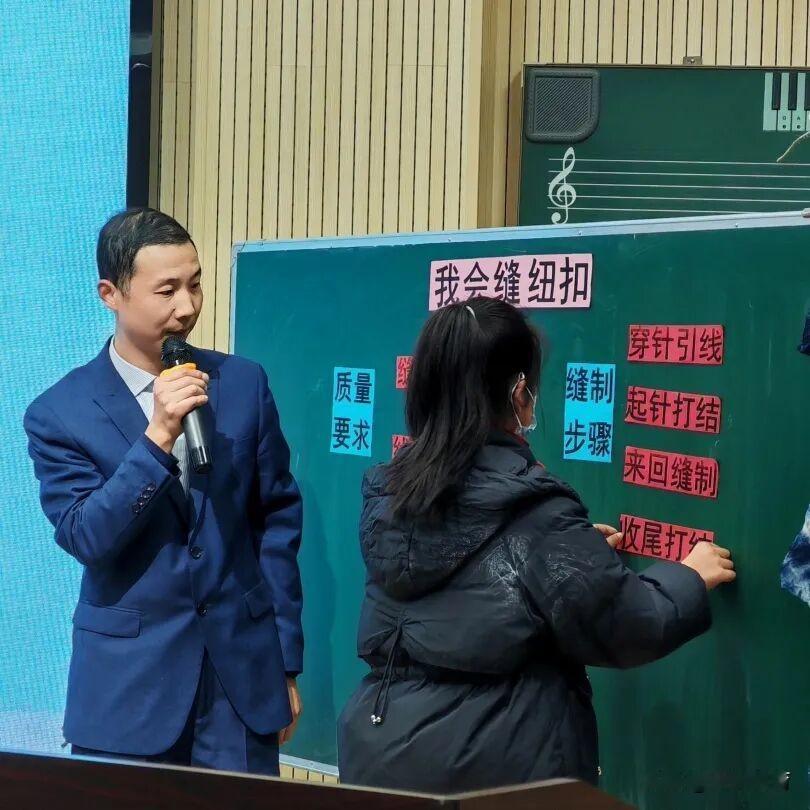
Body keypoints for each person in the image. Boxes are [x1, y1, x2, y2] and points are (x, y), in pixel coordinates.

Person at [338, 297, 734, 792]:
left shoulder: (394, 493)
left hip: (382, 759)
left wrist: (572, 552)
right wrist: (688, 576)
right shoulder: (534, 513)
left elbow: (467, 577)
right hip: (496, 771)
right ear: (519, 393)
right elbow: (626, 622)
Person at [24, 208, 303, 775]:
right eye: (167, 290)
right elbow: (86, 536)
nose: (187, 307)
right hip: (129, 690)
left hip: (240, 685)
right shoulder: (59, 412)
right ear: (111, 294)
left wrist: (285, 662)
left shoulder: (242, 383)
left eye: (195, 284)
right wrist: (157, 437)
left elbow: (275, 523)